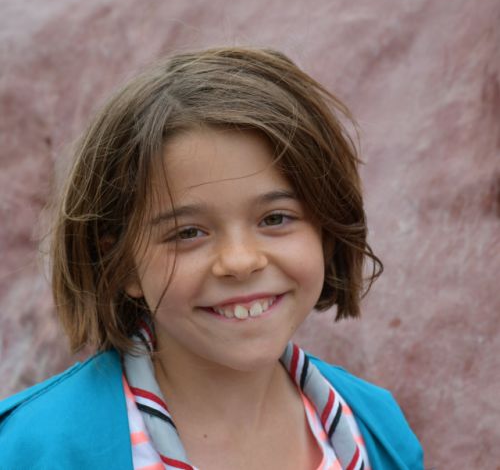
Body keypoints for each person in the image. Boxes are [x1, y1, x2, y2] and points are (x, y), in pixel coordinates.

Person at [0, 47, 423, 469]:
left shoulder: (377, 429)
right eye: (188, 233)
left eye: (275, 218)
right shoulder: (33, 449)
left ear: (327, 231)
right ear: (122, 263)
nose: (240, 261)